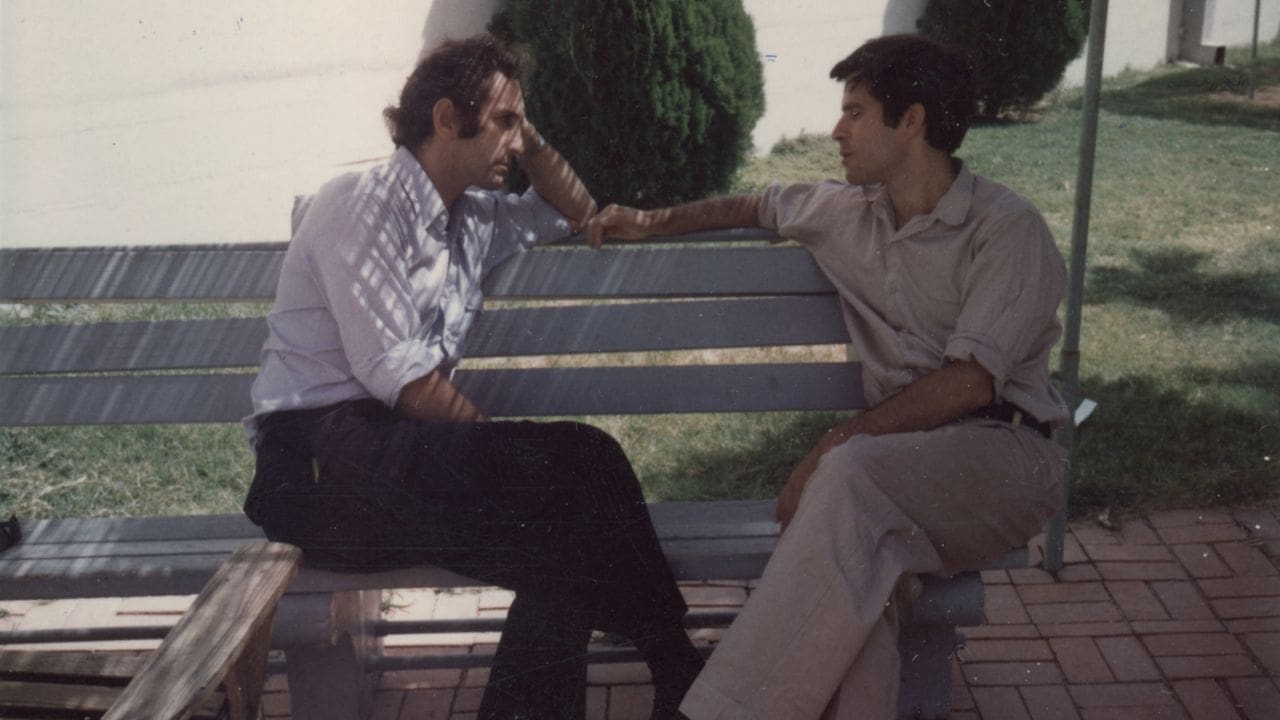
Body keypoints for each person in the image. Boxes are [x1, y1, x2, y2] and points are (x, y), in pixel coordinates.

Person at [585, 34, 1068, 720]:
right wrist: (648, 220)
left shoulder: (1006, 229)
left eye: (856, 112)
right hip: (893, 479)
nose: (837, 132)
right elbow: (751, 206)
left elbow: (970, 385)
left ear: (912, 120)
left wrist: (831, 445)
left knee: (845, 485)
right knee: (856, 575)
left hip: (1004, 462)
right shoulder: (845, 214)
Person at [243, 34, 703, 720]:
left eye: (521, 126)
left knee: (564, 535)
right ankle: (677, 666)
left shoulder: (473, 217)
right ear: (445, 119)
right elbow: (396, 376)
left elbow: (572, 209)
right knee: (578, 469)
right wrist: (499, 455)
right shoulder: (359, 205)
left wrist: (531, 135)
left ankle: (674, 672)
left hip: (392, 458)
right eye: (503, 123)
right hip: (314, 464)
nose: (517, 145)